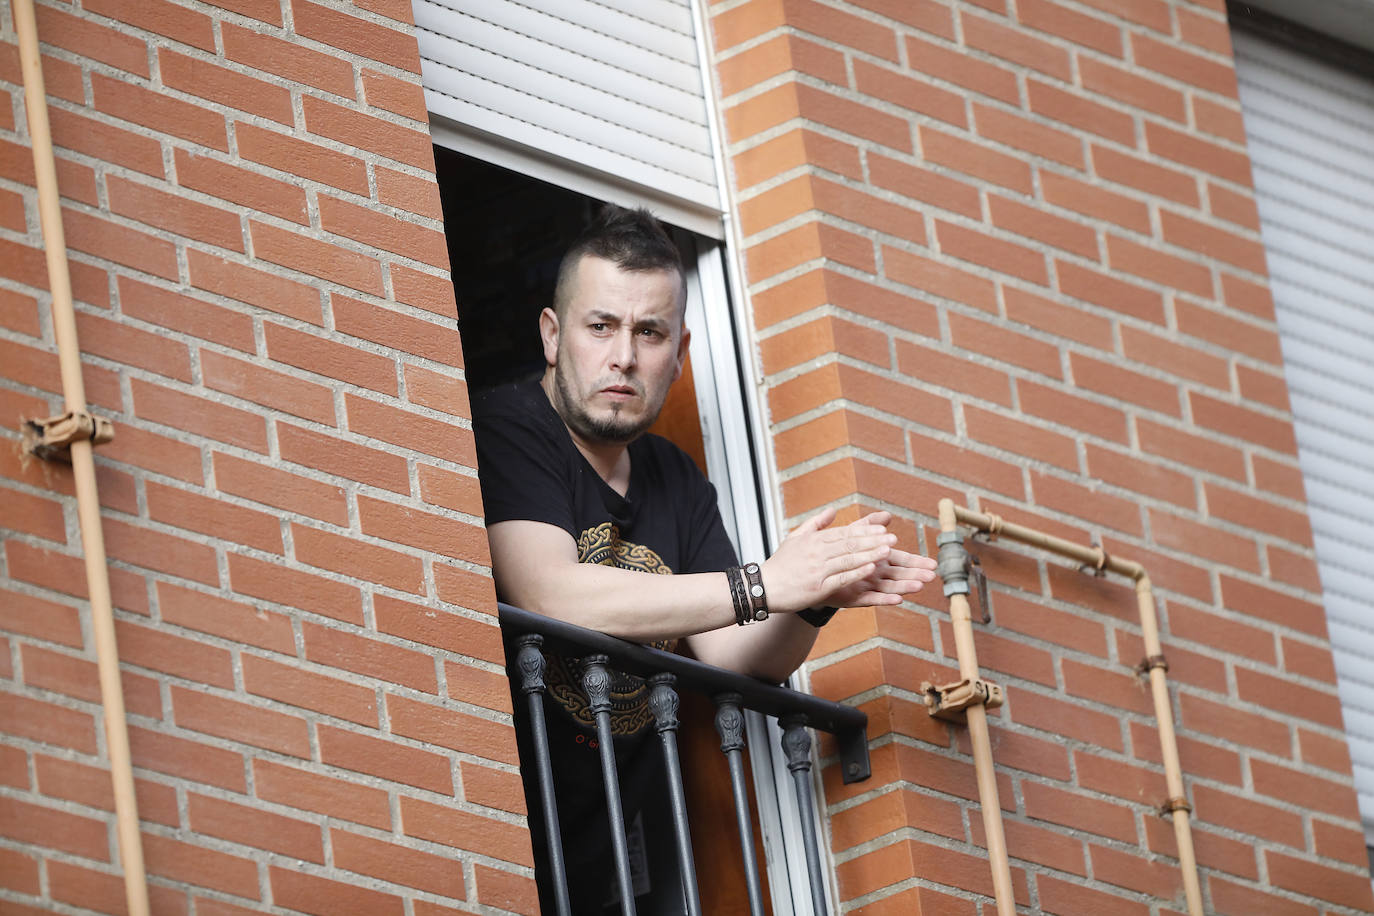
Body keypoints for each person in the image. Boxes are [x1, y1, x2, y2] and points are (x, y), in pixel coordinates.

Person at [471, 204, 936, 913]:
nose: (623, 356)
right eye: (601, 327)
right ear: (552, 335)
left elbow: (731, 655)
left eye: (648, 332)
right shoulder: (511, 429)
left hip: (604, 859)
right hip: (494, 828)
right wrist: (764, 582)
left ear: (679, 351)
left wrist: (812, 594)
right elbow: (551, 594)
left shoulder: (676, 478)